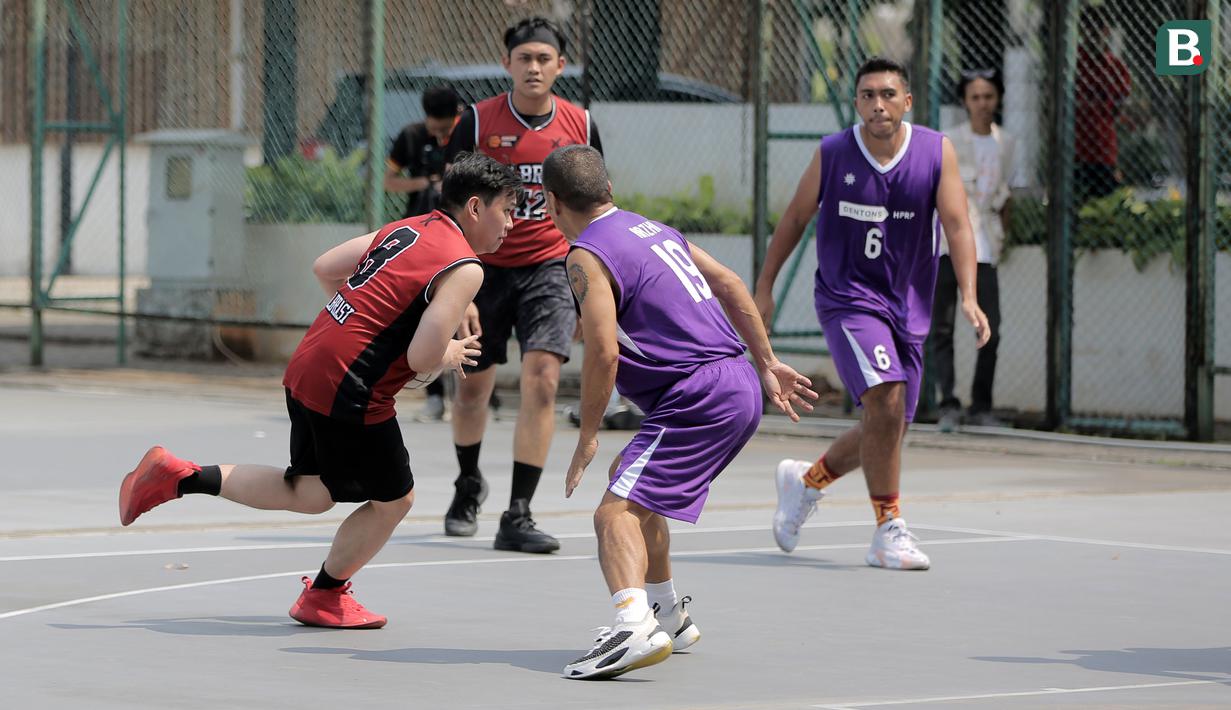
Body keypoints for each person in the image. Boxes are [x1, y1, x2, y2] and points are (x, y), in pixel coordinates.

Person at [117, 153, 522, 628]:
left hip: (311, 362)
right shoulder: (465, 266)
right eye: (508, 210)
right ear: (475, 208)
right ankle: (326, 595)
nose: (512, 224)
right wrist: (451, 354)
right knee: (396, 500)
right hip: (351, 388)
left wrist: (356, 321)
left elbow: (325, 267)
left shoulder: (409, 227)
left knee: (310, 491)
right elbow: (420, 358)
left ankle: (178, 476)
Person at [542, 145, 819, 679]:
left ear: (551, 202)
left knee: (614, 513)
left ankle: (632, 626)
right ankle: (668, 616)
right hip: (735, 382)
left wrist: (588, 435)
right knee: (642, 500)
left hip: (697, 395)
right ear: (609, 191)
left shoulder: (584, 256)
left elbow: (603, 351)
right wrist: (768, 362)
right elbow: (732, 284)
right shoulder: (653, 230)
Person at [753, 57, 990, 571]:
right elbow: (795, 218)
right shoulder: (835, 152)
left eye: (887, 94)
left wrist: (969, 294)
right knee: (884, 397)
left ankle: (806, 481)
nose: (877, 104)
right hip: (848, 299)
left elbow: (957, 224)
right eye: (866, 95)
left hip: (908, 306)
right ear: (856, 102)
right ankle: (888, 528)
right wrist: (765, 286)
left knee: (890, 425)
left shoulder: (934, 151)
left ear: (907, 101)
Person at [439, 16, 603, 550]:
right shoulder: (478, 123)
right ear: (507, 63)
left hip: (552, 268)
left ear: (559, 65)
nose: (533, 67)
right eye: (524, 58)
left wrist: (593, 291)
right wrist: (453, 283)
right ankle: (468, 483)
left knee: (543, 379)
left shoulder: (580, 124)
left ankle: (519, 511)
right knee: (471, 390)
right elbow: (448, 211)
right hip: (481, 269)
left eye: (544, 58)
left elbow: (595, 212)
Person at [930, 68, 1015, 432]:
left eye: (988, 97)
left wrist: (1004, 234)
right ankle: (948, 404)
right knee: (943, 327)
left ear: (997, 100)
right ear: (965, 101)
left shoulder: (1006, 143)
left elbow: (1006, 191)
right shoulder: (949, 140)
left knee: (990, 328)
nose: (982, 104)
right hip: (950, 244)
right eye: (975, 97)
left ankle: (982, 406)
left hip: (987, 246)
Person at [384, 85, 464, 422]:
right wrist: (425, 184)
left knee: (464, 312)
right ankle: (434, 397)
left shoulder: (467, 134)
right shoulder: (411, 137)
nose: (440, 134)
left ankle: (469, 394)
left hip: (461, 235)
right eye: (435, 128)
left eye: (446, 128)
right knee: (425, 312)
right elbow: (388, 180)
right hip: (422, 233)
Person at [1074, 7, 1131, 202]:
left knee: (1104, 207)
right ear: (1081, 30)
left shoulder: (1115, 67)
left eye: (1098, 28)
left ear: (1106, 30)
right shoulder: (1074, 63)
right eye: (1088, 27)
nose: (1093, 33)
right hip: (1075, 150)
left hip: (1103, 151)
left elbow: (1119, 107)